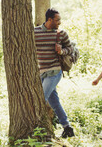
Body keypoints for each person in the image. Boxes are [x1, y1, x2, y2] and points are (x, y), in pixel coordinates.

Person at [34, 8, 75, 138]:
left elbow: (71, 49)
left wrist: (61, 51)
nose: (60, 22)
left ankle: (40, 130)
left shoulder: (61, 34)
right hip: (40, 72)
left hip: (54, 71)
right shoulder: (34, 32)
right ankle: (67, 128)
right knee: (54, 102)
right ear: (49, 19)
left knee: (41, 99)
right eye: (57, 20)